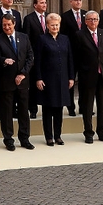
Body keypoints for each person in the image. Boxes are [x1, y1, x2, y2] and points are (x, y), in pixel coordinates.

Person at [0, 13, 35, 150]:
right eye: (4, 25)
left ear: (14, 24)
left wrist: (23, 74)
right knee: (7, 112)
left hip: (22, 82)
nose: (6, 27)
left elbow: (30, 57)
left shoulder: (24, 37)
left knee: (23, 111)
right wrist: (4, 60)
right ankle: (8, 139)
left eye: (9, 25)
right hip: (7, 82)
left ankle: (24, 138)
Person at [34, 13, 74, 146]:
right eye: (52, 25)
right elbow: (37, 60)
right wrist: (38, 78)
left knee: (59, 109)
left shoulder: (65, 39)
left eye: (57, 25)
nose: (55, 27)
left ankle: (58, 136)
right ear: (47, 26)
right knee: (48, 109)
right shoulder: (42, 39)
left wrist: (71, 77)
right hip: (48, 79)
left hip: (62, 79)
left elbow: (70, 59)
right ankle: (49, 137)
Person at [75, 10, 103, 144]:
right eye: (90, 19)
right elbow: (76, 57)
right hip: (87, 76)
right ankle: (88, 132)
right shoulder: (79, 35)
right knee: (88, 106)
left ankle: (102, 132)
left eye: (95, 19)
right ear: (85, 22)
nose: (93, 22)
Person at [23, 0, 48, 119]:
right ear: (35, 5)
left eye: (45, 2)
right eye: (41, 3)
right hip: (35, 55)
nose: (44, 5)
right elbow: (26, 38)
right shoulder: (29, 19)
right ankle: (32, 109)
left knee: (47, 82)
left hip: (48, 56)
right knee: (33, 84)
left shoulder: (50, 18)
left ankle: (47, 107)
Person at [60, 0, 84, 117]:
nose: (78, 2)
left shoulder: (87, 15)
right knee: (71, 80)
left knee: (84, 81)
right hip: (71, 54)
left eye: (80, 0)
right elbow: (63, 36)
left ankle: (83, 106)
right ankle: (70, 107)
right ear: (71, 2)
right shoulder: (65, 17)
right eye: (75, 0)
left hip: (85, 55)